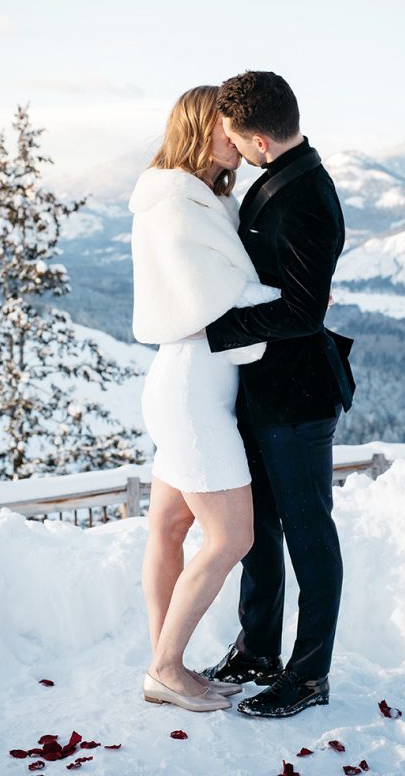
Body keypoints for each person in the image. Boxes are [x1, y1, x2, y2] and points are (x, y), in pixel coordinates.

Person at [200, 70, 354, 718]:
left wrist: (218, 325)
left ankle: (309, 674)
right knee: (257, 531)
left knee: (307, 537)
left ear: (260, 140)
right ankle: (257, 649)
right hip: (261, 395)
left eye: (234, 138)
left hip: (297, 404)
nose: (229, 147)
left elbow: (301, 312)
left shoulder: (308, 197)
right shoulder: (276, 179)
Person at [128, 85, 281, 713]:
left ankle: (166, 661)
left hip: (187, 382)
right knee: (231, 537)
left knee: (169, 527)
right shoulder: (180, 206)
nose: (240, 135)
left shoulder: (197, 196)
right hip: (194, 387)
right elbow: (213, 302)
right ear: (204, 128)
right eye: (229, 125)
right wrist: (294, 299)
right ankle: (166, 669)